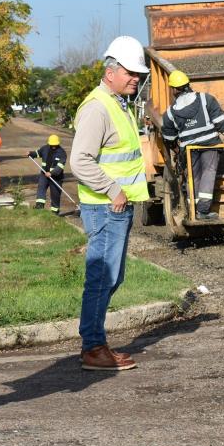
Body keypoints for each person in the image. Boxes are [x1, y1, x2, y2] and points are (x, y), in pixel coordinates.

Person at [69, 35, 151, 371]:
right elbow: (80, 160)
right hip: (106, 206)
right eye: (131, 72)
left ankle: (97, 342)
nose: (136, 78)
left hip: (114, 205)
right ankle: (92, 347)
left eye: (138, 73)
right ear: (111, 71)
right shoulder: (97, 107)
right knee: (102, 277)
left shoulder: (118, 102)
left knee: (111, 277)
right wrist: (114, 190)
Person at [160, 70, 224, 219]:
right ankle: (203, 210)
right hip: (210, 145)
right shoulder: (206, 99)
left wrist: (177, 150)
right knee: (208, 172)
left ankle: (193, 210)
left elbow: (169, 137)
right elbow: (221, 123)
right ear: (188, 85)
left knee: (193, 177)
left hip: (189, 149)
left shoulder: (170, 113)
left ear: (173, 89)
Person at [28, 134, 66, 213]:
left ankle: (54, 211)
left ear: (58, 144)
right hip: (44, 174)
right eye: (52, 145)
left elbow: (59, 167)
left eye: (55, 145)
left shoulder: (62, 153)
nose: (53, 146)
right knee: (41, 188)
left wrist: (51, 173)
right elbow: (37, 153)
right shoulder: (45, 148)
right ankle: (39, 206)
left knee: (55, 194)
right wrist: (30, 153)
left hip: (56, 177)